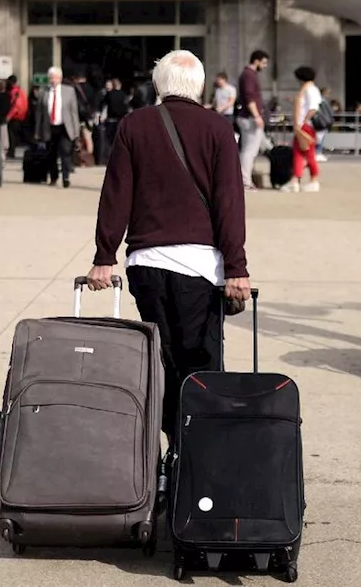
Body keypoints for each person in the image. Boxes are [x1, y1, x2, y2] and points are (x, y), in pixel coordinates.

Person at [85, 49, 251, 440]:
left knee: (161, 363)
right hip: (200, 267)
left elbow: (116, 195)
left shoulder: (134, 125)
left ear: (158, 84)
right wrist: (237, 266)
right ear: (200, 85)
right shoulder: (216, 128)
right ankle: (197, 461)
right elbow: (230, 201)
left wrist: (104, 256)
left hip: (147, 264)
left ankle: (163, 457)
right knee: (202, 366)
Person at [34, 66, 81, 188]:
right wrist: (37, 131)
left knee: (65, 151)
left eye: (54, 78)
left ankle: (66, 177)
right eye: (50, 78)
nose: (52, 80)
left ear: (60, 78)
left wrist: (76, 132)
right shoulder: (43, 92)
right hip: (49, 127)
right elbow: (39, 113)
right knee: (51, 153)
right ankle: (54, 177)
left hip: (65, 126)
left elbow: (74, 112)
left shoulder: (69, 91)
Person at [283, 65, 322, 193]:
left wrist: (303, 122)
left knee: (304, 153)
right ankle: (299, 179)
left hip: (304, 126)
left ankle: (303, 180)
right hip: (305, 126)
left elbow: (313, 108)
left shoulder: (309, 89)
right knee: (301, 153)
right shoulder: (310, 89)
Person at [235, 50, 270, 190]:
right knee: (249, 151)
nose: (265, 66)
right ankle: (245, 181)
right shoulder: (249, 75)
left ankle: (245, 179)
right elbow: (249, 97)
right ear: (256, 60)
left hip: (247, 117)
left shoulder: (248, 75)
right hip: (249, 118)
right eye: (264, 62)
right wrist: (256, 116)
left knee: (250, 149)